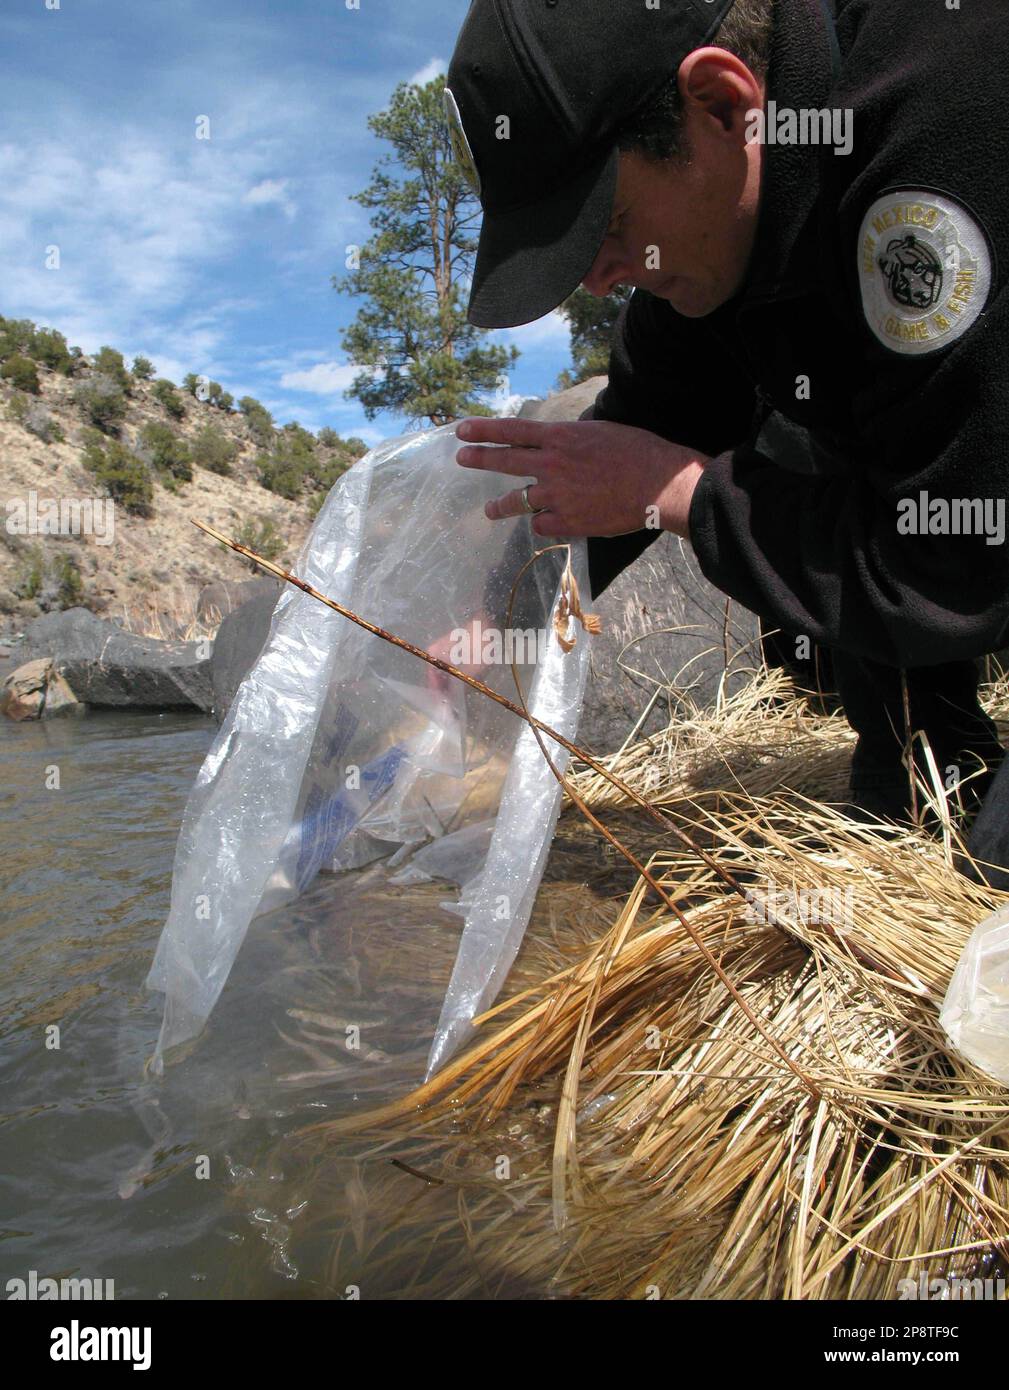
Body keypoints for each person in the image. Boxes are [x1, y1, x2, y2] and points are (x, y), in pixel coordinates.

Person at [443, 0, 1009, 885]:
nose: (595, 283)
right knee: (913, 837)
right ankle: (929, 769)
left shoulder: (940, 113)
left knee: (994, 897)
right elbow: (638, 434)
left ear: (721, 103)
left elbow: (952, 566)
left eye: (609, 228)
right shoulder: (707, 251)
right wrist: (492, 619)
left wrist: (683, 496)